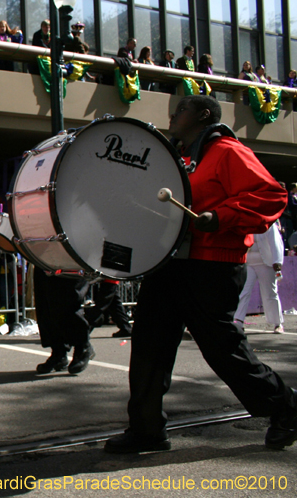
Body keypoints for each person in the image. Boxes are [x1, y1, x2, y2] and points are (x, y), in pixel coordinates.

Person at [105, 95, 297, 454]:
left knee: (223, 351)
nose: (172, 116)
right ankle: (147, 429)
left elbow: (271, 195)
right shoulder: (179, 159)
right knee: (149, 347)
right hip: (170, 264)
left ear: (203, 115)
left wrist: (222, 216)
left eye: (180, 110)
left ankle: (287, 407)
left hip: (212, 266)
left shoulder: (227, 151)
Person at [34, 268, 94, 375]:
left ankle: (83, 346)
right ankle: (58, 352)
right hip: (46, 256)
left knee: (69, 299)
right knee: (46, 305)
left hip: (71, 258)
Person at [234, 223, 285, 334]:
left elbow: (275, 242)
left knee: (270, 293)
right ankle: (238, 321)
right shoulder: (247, 223)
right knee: (244, 291)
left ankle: (278, 323)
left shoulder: (269, 225)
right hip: (249, 263)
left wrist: (277, 261)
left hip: (266, 263)